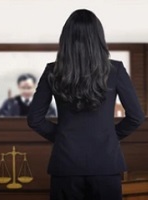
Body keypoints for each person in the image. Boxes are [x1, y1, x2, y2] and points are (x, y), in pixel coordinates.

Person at [27, 9, 145, 200]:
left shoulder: (52, 70)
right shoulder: (115, 70)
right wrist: (111, 135)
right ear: (98, 37)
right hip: (106, 165)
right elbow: (137, 117)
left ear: (66, 38)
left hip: (65, 165)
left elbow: (34, 119)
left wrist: (61, 136)